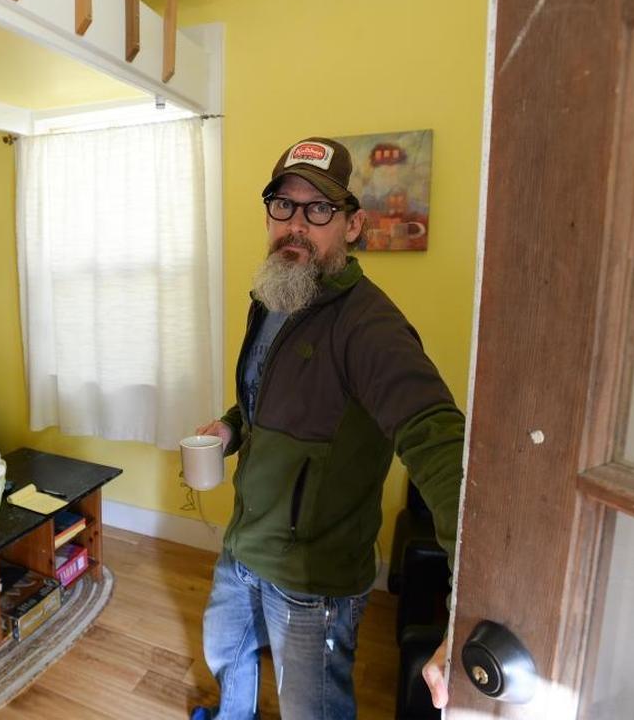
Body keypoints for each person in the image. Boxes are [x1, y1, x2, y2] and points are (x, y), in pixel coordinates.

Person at [192, 137, 463, 719]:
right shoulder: (272, 296)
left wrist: (474, 589)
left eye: (319, 210)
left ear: (353, 224)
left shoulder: (371, 327)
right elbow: (264, 398)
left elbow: (436, 436)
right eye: (283, 205)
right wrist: (229, 429)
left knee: (311, 709)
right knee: (226, 653)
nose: (296, 225)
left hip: (312, 581)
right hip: (244, 545)